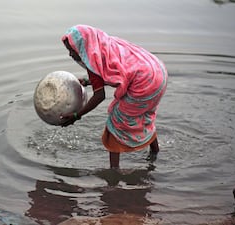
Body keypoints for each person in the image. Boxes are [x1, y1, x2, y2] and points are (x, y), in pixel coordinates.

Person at [60, 25, 167, 169]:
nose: (70, 55)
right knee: (144, 115)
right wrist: (87, 81)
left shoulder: (93, 60)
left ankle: (113, 174)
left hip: (143, 82)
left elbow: (99, 96)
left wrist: (76, 115)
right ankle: (155, 153)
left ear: (82, 47)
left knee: (116, 123)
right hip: (157, 73)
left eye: (72, 50)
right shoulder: (105, 45)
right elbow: (119, 72)